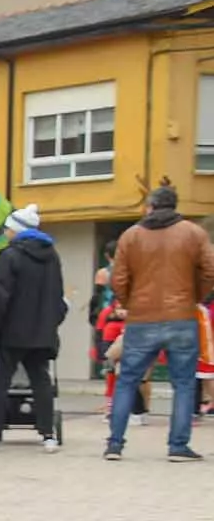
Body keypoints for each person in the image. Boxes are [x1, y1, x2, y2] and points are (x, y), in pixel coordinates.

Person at [105, 183, 214, 461]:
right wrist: (194, 297)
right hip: (181, 317)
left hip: (142, 318)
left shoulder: (131, 236)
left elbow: (117, 278)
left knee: (127, 380)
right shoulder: (193, 233)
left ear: (151, 206)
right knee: (184, 383)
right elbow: (210, 270)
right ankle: (177, 446)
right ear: (175, 206)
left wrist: (131, 303)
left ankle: (115, 444)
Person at [0, 205, 66, 451]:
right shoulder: (52, 256)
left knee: (0, 380)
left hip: (12, 330)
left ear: (17, 230)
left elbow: (2, 295)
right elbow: (57, 295)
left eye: (8, 229)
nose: (6, 233)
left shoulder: (9, 256)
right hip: (42, 331)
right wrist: (52, 323)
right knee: (41, 380)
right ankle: (48, 434)